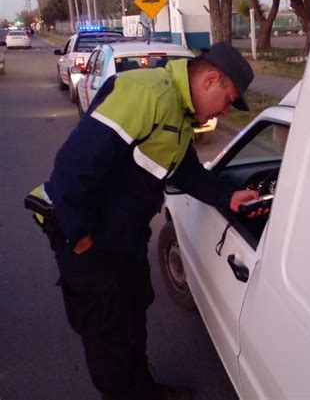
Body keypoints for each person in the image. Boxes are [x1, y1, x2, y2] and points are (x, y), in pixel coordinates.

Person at [27, 42, 260, 400]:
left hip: (125, 239)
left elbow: (185, 170)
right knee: (107, 333)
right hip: (92, 240)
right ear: (211, 80)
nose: (226, 111)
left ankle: (143, 390)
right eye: (228, 100)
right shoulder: (145, 93)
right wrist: (80, 237)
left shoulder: (181, 115)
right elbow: (75, 166)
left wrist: (226, 196)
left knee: (133, 313)